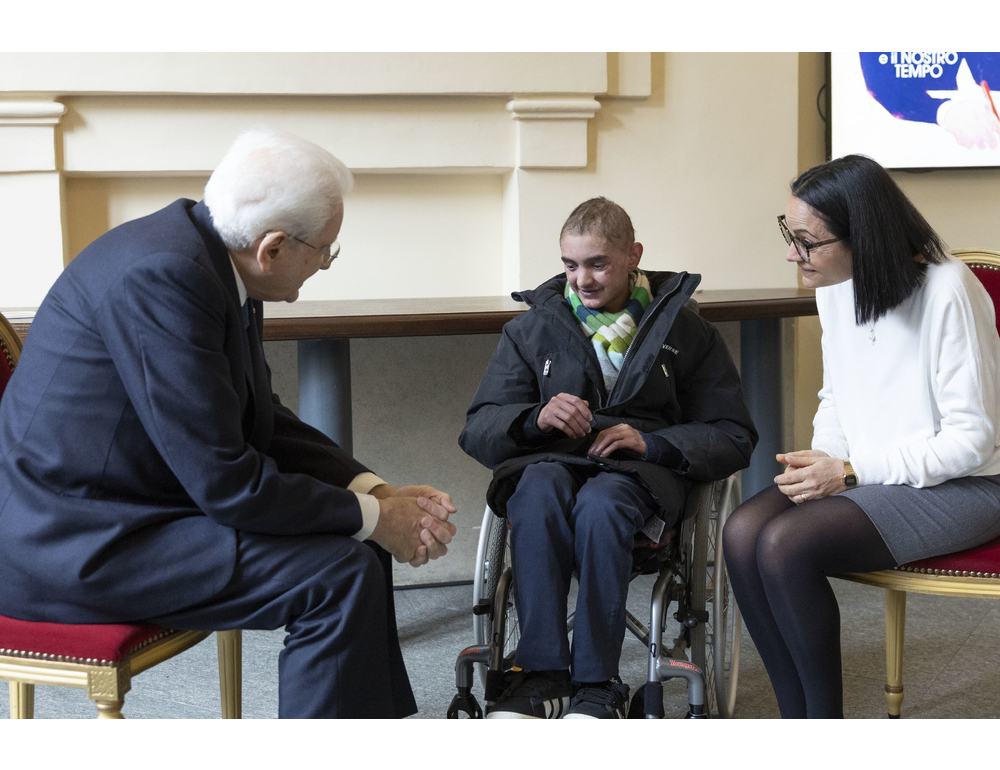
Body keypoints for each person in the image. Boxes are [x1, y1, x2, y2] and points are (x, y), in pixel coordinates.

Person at [0, 128, 457, 718]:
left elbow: (261, 418)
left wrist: (375, 493)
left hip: (127, 509)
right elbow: (227, 483)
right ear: (272, 248)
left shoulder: (214, 255)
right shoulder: (165, 277)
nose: (324, 264)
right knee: (340, 571)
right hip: (74, 544)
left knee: (361, 550)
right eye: (326, 250)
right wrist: (374, 519)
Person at [723, 154, 1000, 719]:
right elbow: (838, 397)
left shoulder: (949, 290)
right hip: (874, 475)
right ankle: (796, 723)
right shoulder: (835, 285)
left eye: (807, 241)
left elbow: (971, 441)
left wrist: (849, 473)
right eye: (789, 234)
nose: (792, 254)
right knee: (742, 530)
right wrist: (822, 458)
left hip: (966, 486)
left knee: (785, 544)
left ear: (863, 235)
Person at [459, 197, 757, 718]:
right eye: (570, 265)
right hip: (551, 464)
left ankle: (599, 682)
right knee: (534, 491)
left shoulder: (686, 333)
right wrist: (535, 418)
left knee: (602, 504)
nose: (582, 280)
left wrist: (652, 443)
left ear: (633, 255)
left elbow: (732, 433)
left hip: (638, 471)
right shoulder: (530, 331)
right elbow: (479, 428)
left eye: (597, 264)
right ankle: (543, 674)